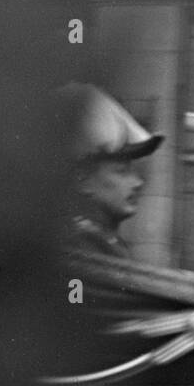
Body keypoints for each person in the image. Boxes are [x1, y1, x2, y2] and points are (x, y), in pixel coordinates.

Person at [56, 82, 163, 259]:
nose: (138, 183)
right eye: (122, 171)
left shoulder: (105, 244)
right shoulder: (82, 248)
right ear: (83, 180)